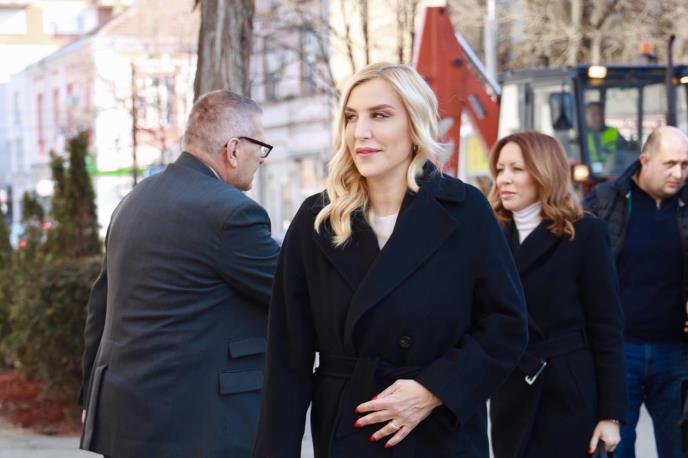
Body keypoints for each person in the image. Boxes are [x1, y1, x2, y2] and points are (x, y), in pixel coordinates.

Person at [253, 62, 528, 458]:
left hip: (440, 435)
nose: (359, 132)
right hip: (351, 428)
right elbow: (286, 356)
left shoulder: (465, 210)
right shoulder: (317, 219)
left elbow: (506, 327)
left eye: (379, 115)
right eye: (351, 117)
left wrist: (434, 390)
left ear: (414, 125)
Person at [78, 90, 280, 458]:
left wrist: (90, 398)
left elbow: (101, 307)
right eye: (261, 147)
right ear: (233, 149)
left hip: (123, 417)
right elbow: (293, 292)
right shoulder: (232, 214)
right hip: (195, 425)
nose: (262, 159)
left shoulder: (133, 200)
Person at [488, 131, 627, 458]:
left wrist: (610, 415)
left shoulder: (585, 233)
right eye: (500, 169)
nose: (504, 178)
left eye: (517, 169)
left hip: (566, 392)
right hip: (510, 392)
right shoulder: (491, 235)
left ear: (544, 172)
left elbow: (607, 328)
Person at [584, 125, 688, 458]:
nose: (678, 173)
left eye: (685, 165)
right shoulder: (606, 201)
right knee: (616, 449)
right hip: (618, 352)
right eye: (670, 163)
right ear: (645, 160)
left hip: (675, 354)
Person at [585, 101, 628, 172]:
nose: (598, 118)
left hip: (612, 172)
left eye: (600, 114)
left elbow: (625, 151)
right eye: (594, 115)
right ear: (585, 116)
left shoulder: (613, 132)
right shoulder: (578, 134)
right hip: (585, 173)